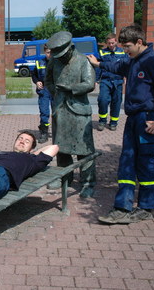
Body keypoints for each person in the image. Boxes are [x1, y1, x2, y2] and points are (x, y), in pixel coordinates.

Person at [87, 24, 154, 224]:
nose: (125, 50)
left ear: (139, 42)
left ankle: (145, 207)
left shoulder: (153, 62)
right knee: (127, 161)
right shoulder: (133, 60)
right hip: (133, 119)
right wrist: (98, 64)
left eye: (127, 46)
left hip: (147, 119)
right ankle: (122, 207)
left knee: (145, 162)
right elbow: (118, 67)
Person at [44, 31, 97, 198]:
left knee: (84, 150)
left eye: (62, 54)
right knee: (61, 148)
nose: (59, 57)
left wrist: (71, 89)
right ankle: (64, 178)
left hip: (79, 110)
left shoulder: (83, 61)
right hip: (60, 109)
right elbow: (48, 80)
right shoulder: (54, 61)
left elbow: (90, 84)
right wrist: (55, 93)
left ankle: (88, 183)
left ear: (71, 48)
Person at [95, 33, 127, 131]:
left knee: (116, 102)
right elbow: (98, 66)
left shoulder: (122, 52)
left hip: (118, 81)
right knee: (102, 100)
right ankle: (102, 120)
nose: (111, 45)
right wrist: (96, 80)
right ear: (106, 43)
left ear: (116, 42)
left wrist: (126, 77)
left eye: (113, 43)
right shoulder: (102, 52)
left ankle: (113, 122)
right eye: (109, 43)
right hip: (106, 80)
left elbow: (126, 66)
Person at [32, 44, 53, 143]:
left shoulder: (58, 63)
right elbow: (34, 75)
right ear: (45, 52)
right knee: (44, 112)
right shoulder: (40, 62)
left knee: (57, 113)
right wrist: (37, 82)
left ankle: (58, 133)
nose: (50, 54)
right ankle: (44, 133)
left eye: (52, 52)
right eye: (48, 52)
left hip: (55, 90)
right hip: (44, 90)